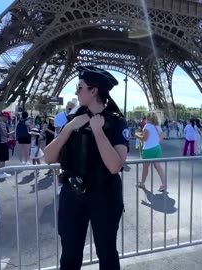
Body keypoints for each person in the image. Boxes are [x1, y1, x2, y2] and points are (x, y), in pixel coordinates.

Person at [44, 66, 129, 269]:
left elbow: (114, 166)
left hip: (105, 194)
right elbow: (48, 157)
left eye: (80, 87)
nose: (75, 92)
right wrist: (68, 128)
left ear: (94, 91)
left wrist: (98, 131)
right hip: (72, 194)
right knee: (70, 255)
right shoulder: (73, 120)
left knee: (106, 252)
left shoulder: (117, 122)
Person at [135, 112, 166, 192]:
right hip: (157, 147)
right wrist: (155, 141)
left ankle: (142, 183)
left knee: (145, 168)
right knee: (158, 166)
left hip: (148, 149)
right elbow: (161, 137)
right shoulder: (157, 126)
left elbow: (145, 139)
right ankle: (164, 183)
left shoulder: (147, 126)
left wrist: (137, 136)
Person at [0, 113, 12, 179]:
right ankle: (1, 173)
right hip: (2, 143)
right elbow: (5, 134)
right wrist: (12, 133)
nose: (7, 119)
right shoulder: (2, 124)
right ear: (3, 117)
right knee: (2, 159)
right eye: (7, 118)